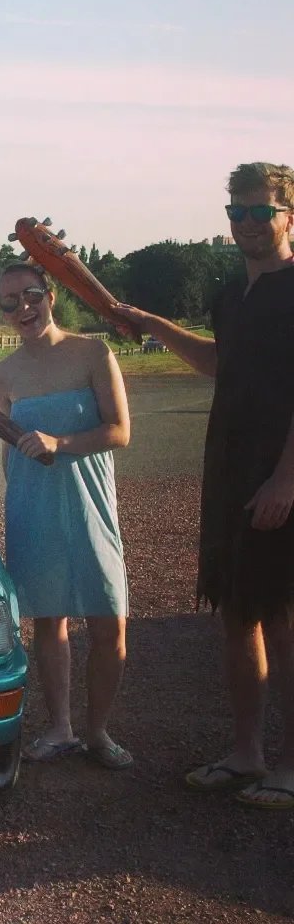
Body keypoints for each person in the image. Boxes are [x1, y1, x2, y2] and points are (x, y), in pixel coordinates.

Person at [116, 162, 294, 810]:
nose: (245, 223)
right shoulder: (230, 297)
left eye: (259, 212)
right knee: (237, 617)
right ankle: (246, 753)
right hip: (228, 473)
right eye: (236, 212)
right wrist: (156, 324)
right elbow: (223, 365)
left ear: (288, 215)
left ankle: (290, 765)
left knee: (281, 619)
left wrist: (285, 478)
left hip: (278, 479)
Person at [0, 262, 133, 769]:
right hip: (34, 504)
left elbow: (119, 431)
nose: (22, 308)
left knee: (110, 620)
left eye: (30, 295)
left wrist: (61, 443)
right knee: (49, 622)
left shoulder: (92, 352)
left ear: (49, 294)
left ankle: (98, 733)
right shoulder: (3, 375)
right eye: (9, 302)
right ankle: (61, 729)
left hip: (91, 500)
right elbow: (10, 447)